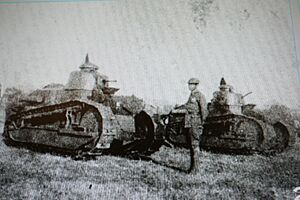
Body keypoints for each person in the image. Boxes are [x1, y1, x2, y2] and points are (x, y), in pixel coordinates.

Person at [175, 78, 207, 173]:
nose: (189, 86)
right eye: (189, 84)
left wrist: (201, 123)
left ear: (196, 85)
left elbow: (204, 111)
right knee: (192, 145)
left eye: (191, 84)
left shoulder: (200, 96)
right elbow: (187, 106)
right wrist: (177, 108)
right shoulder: (191, 95)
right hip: (189, 122)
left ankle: (195, 169)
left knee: (195, 145)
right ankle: (192, 168)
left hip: (195, 122)